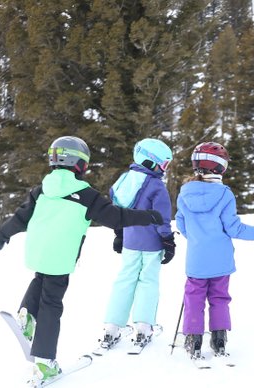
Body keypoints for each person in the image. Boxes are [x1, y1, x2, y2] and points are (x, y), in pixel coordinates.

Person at [0, 136, 164, 385]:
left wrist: (3, 234)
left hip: (38, 251)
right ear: (79, 164)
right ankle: (44, 363)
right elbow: (116, 218)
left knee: (40, 278)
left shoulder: (42, 188)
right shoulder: (85, 194)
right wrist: (148, 216)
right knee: (52, 304)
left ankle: (27, 315)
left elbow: (20, 217)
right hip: (60, 256)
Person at [176, 142, 254, 358]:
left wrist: (197, 238)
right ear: (220, 167)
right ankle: (219, 340)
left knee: (194, 297)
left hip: (196, 260)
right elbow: (233, 227)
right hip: (220, 260)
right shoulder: (224, 194)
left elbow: (181, 223)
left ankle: (194, 338)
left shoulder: (184, 194)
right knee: (219, 297)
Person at [101, 138, 176, 350]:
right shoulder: (156, 186)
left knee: (125, 280)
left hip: (130, 243)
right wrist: (168, 241)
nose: (164, 169)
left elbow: (116, 210)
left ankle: (112, 327)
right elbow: (162, 218)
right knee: (148, 281)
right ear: (151, 162)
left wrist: (120, 234)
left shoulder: (124, 181)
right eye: (163, 164)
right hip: (152, 244)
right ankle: (143, 327)